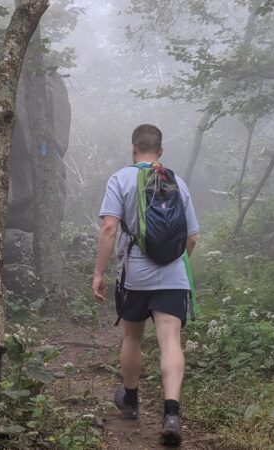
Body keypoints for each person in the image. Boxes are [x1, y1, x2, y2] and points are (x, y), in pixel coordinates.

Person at [92, 124, 199, 446]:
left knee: (132, 337)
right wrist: (174, 263)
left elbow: (109, 228)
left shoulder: (120, 179)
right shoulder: (176, 181)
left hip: (135, 276)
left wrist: (99, 273)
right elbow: (192, 238)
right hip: (174, 276)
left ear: (133, 148)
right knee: (170, 341)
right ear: (160, 151)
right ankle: (171, 414)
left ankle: (131, 403)